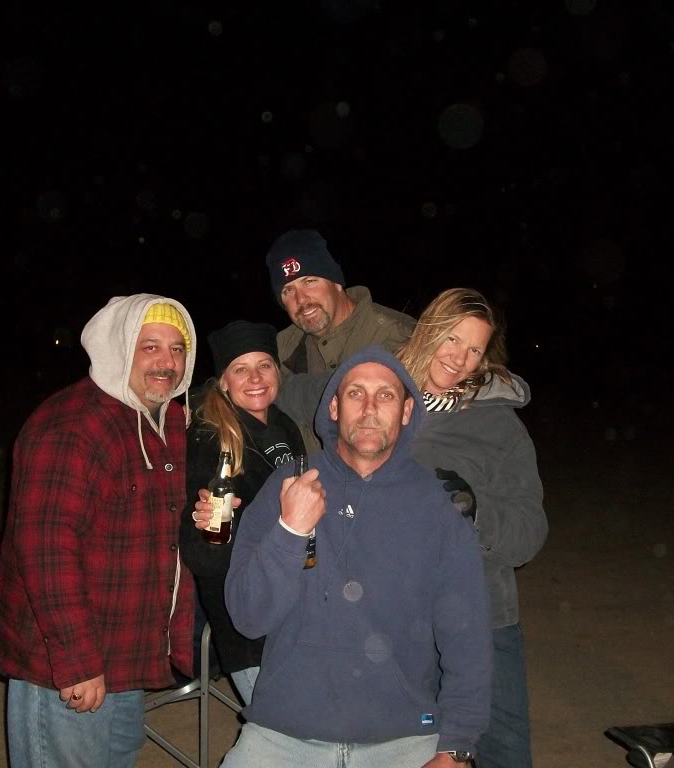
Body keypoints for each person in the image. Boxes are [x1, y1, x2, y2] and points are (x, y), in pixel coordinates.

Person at [277, 288, 547, 768]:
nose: (459, 358)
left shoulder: (499, 427)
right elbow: (283, 389)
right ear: (427, 329)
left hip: (481, 616)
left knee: (500, 751)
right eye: (452, 338)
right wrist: (230, 380)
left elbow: (530, 532)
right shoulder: (379, 395)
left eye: (475, 350)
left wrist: (477, 511)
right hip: (391, 624)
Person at [208, 346, 492, 767]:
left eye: (386, 395)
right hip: (284, 733)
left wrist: (456, 748)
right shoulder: (288, 485)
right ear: (335, 407)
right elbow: (248, 617)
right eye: (356, 393)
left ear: (407, 411)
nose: (370, 408)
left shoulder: (437, 507)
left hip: (404, 736)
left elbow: (468, 640)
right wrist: (290, 530)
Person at [0, 294, 198, 768]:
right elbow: (46, 550)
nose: (167, 362)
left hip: (125, 652)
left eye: (177, 348)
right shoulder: (72, 426)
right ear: (119, 347)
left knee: (118, 756)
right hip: (64, 661)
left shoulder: (169, 421)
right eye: (150, 347)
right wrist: (78, 661)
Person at [178, 320, 305, 706]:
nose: (255, 378)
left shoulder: (285, 426)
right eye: (240, 369)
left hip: (296, 605)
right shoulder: (211, 439)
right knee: (286, 728)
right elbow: (205, 556)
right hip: (248, 618)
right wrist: (211, 527)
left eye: (264, 365)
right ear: (223, 382)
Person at [265, 228, 416, 450]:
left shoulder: (400, 336)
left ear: (336, 282)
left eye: (309, 281)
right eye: (288, 290)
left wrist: (289, 390)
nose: (301, 299)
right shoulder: (279, 348)